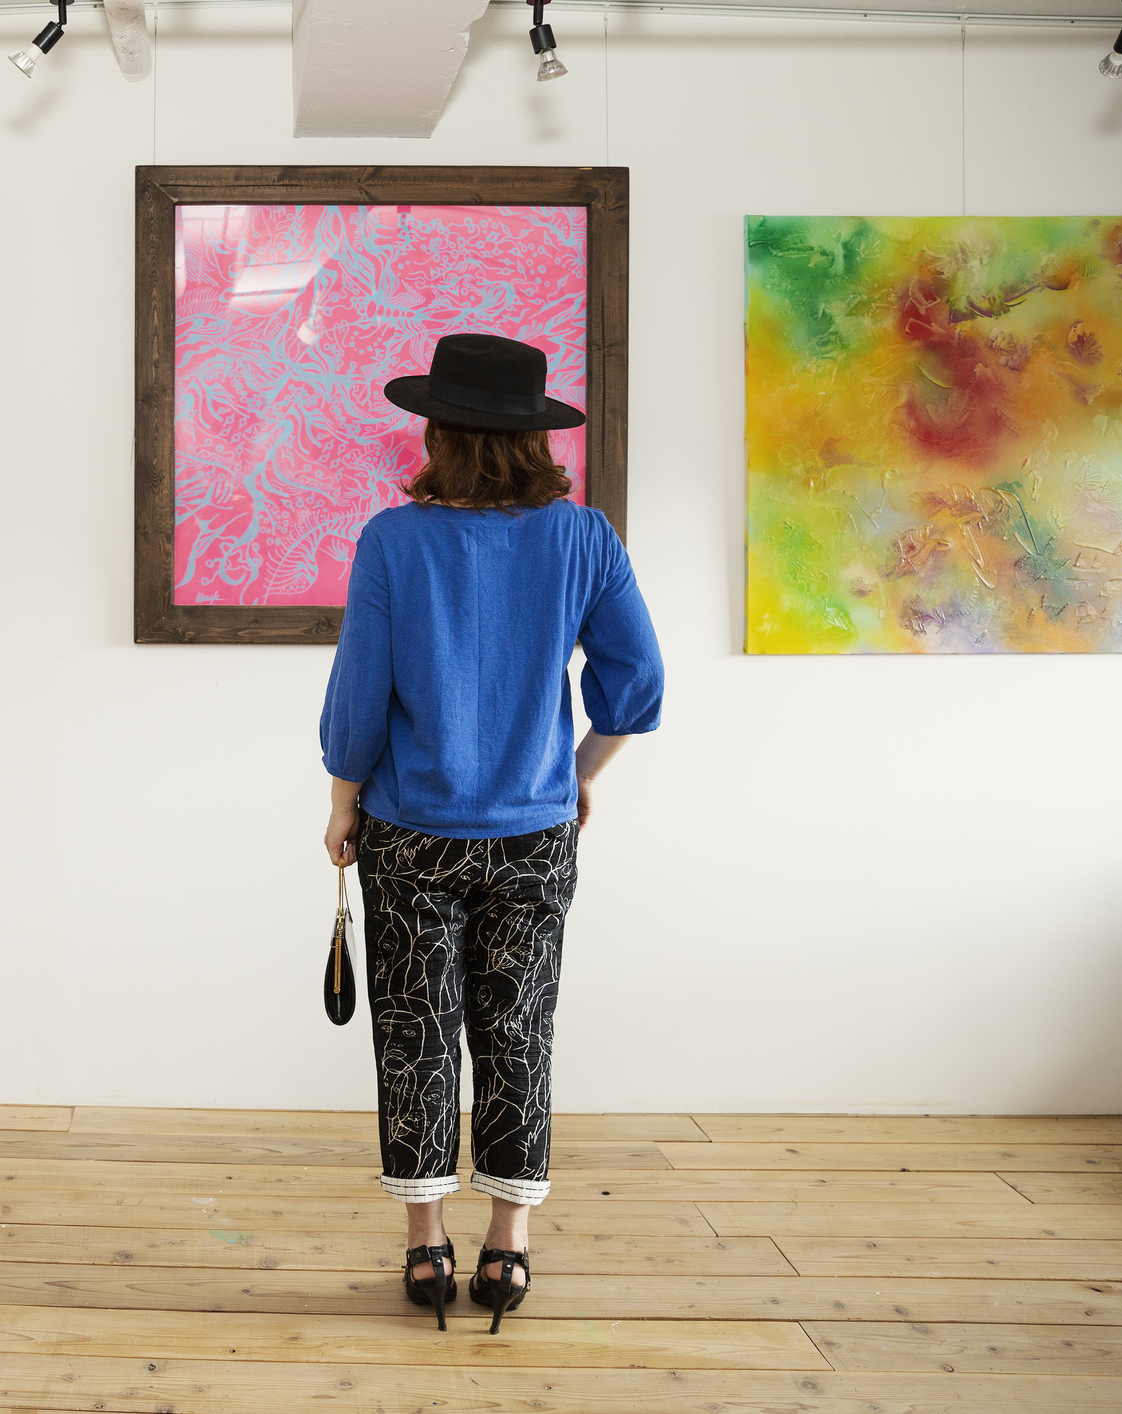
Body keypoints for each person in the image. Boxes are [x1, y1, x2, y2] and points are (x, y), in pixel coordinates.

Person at [319, 333, 664, 1332]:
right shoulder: (584, 537)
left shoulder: (393, 538)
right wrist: (579, 774)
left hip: (409, 827)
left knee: (417, 1032)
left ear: (437, 429)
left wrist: (342, 802)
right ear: (531, 436)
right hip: (535, 830)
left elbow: (358, 696)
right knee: (519, 1029)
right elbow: (636, 683)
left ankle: (425, 1241)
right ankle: (508, 1247)